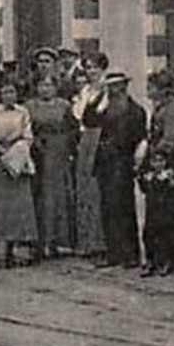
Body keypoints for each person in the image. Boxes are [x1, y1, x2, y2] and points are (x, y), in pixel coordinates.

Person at [86, 70, 144, 269]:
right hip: (105, 164)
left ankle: (130, 254)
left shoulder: (135, 110)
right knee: (107, 208)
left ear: (124, 87)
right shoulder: (105, 107)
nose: (113, 91)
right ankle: (114, 253)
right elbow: (88, 119)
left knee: (124, 208)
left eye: (116, 87)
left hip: (123, 163)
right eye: (109, 87)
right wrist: (98, 96)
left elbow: (138, 137)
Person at [138, 70, 174, 277]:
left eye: (151, 87)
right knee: (156, 212)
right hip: (159, 160)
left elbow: (168, 139)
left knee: (168, 212)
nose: (148, 91)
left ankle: (168, 257)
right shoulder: (162, 107)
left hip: (169, 163)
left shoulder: (173, 108)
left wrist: (153, 159)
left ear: (162, 89)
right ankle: (157, 257)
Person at [0, 80, 36, 267]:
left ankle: (17, 245)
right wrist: (1, 151)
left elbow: (28, 136)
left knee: (18, 206)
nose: (8, 95)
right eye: (5, 92)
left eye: (11, 92)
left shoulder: (23, 112)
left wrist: (17, 151)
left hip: (18, 160)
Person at [26, 74, 75, 259]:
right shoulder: (30, 106)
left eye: (49, 85)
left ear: (56, 87)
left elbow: (72, 128)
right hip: (40, 152)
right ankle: (42, 240)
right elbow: (26, 128)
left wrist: (69, 148)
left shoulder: (64, 105)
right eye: (41, 85)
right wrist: (35, 142)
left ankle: (61, 241)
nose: (45, 89)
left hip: (60, 151)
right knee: (42, 196)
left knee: (61, 194)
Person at [71, 51, 110, 260]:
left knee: (97, 190)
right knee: (84, 188)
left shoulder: (107, 91)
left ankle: (100, 242)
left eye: (95, 67)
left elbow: (104, 115)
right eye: (88, 67)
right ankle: (85, 242)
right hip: (85, 140)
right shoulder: (85, 91)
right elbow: (78, 116)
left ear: (103, 68)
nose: (91, 71)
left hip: (101, 138)